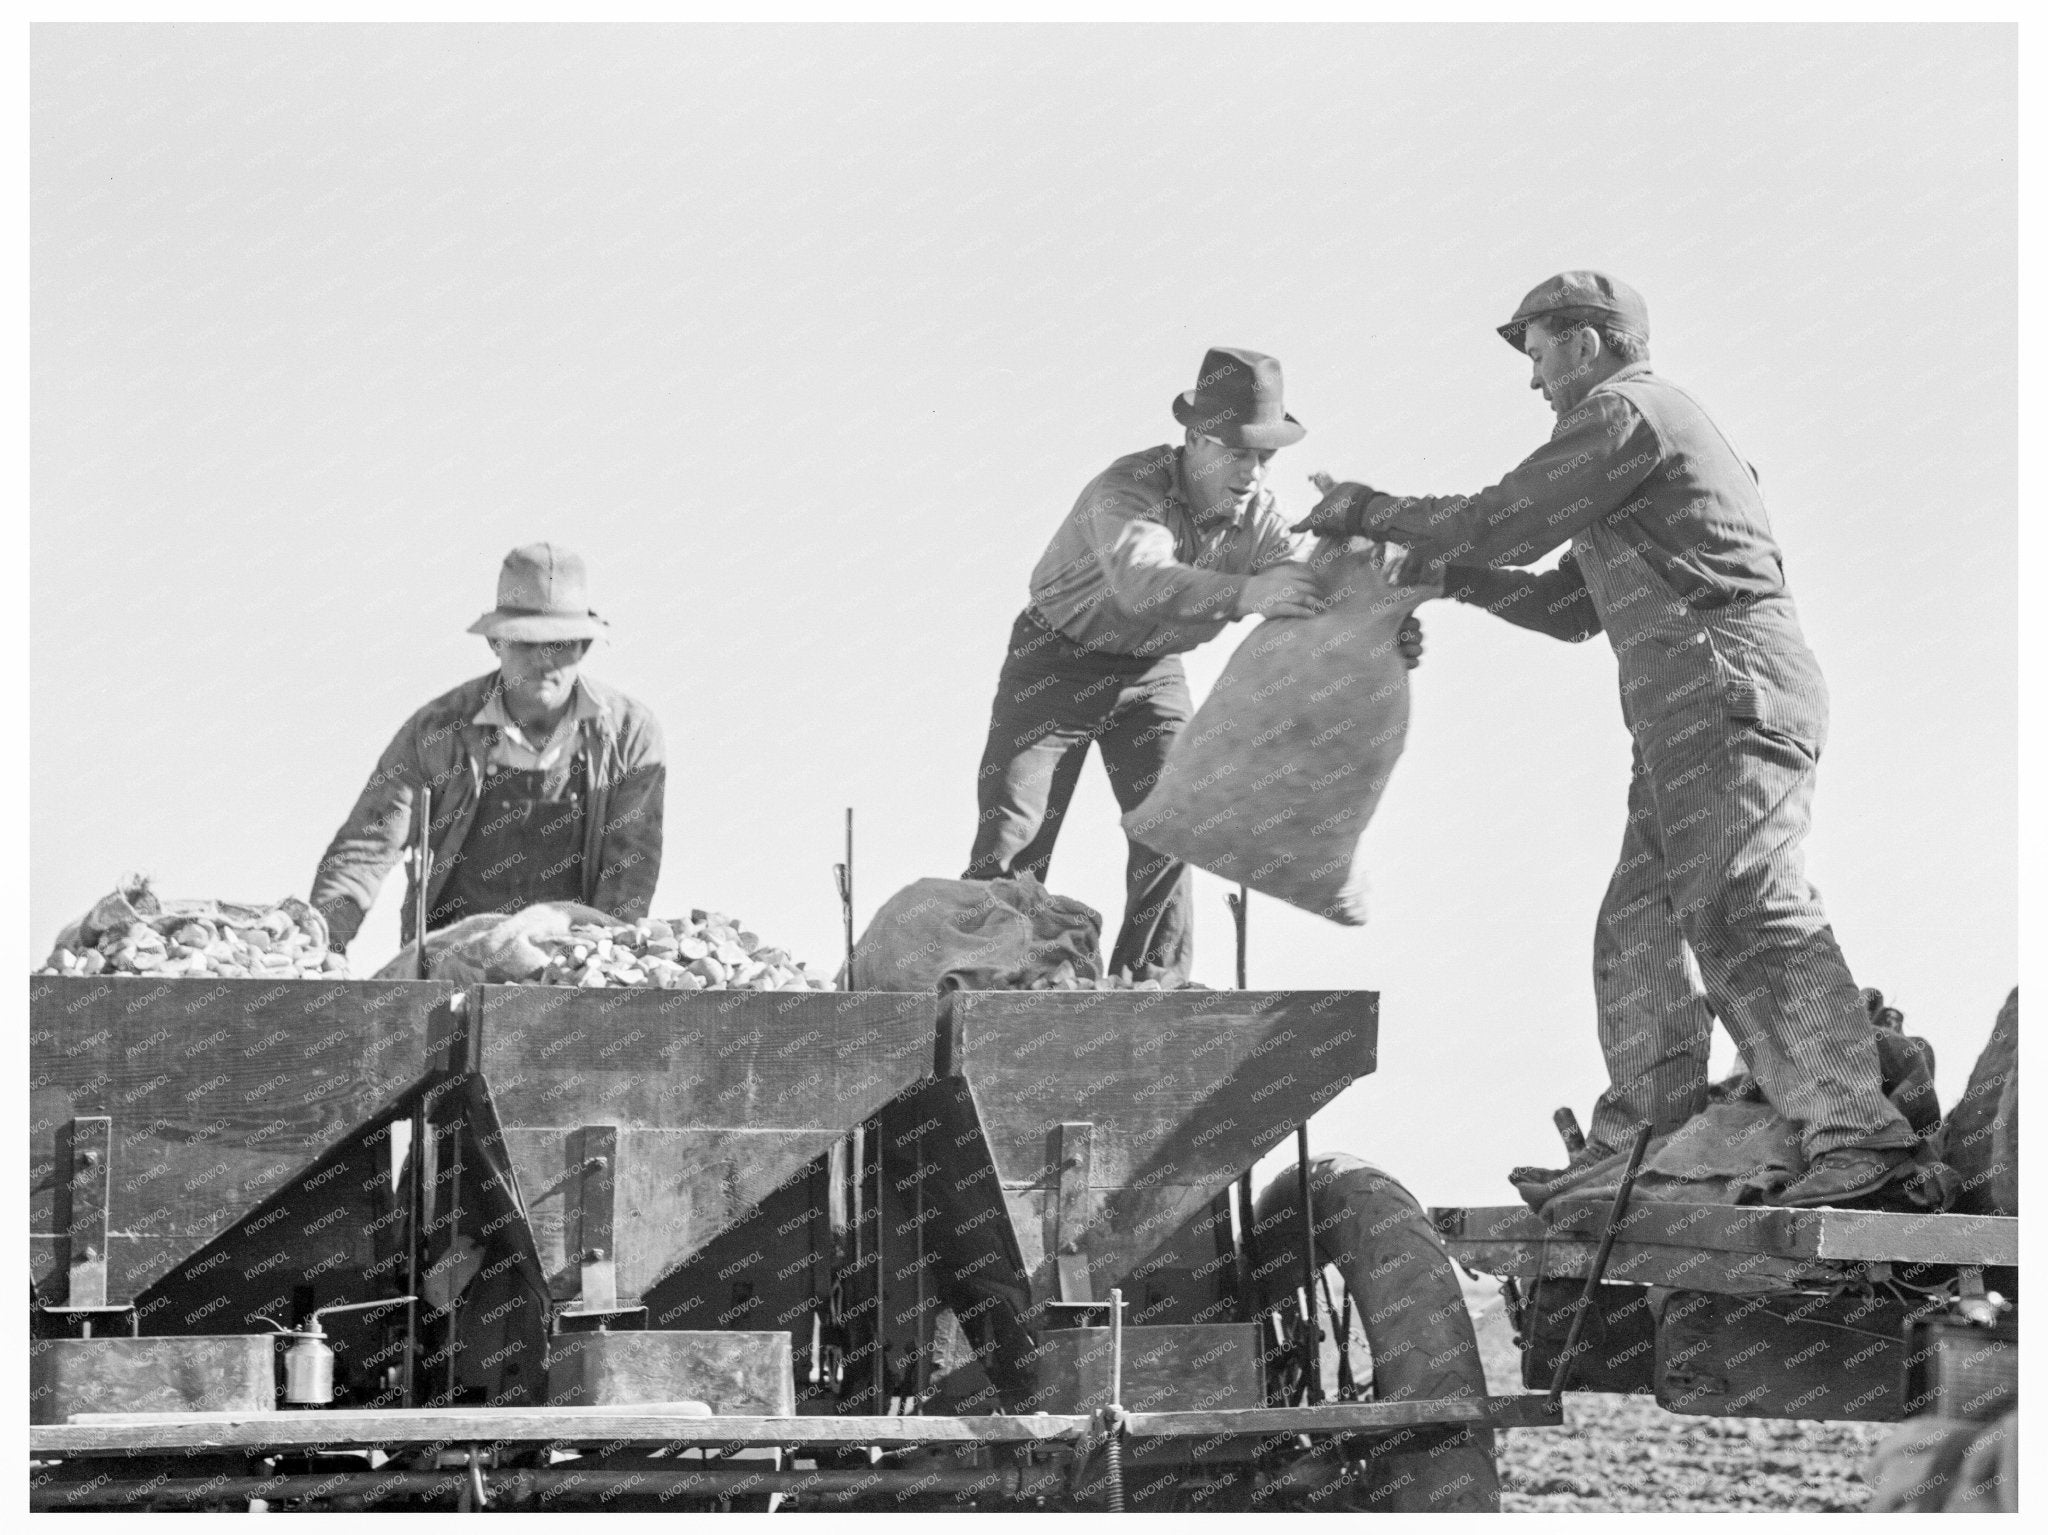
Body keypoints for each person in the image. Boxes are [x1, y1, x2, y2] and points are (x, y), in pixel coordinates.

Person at [1298, 273, 1931, 1210]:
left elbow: (1502, 523)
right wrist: (1440, 573)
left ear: (1589, 343)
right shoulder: (1632, 448)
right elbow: (1565, 607)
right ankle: (1647, 1141)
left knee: (1747, 910)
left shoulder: (1626, 415)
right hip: (1686, 711)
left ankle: (1857, 1135)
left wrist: (1368, 508)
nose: (1533, 380)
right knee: (1639, 926)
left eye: (1540, 351)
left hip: (1726, 691)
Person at [965, 346, 1423, 985]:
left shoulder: (1259, 515)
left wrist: (1375, 628)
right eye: (1238, 454)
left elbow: (1306, 595)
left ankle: (1152, 983)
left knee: (1174, 826)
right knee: (1015, 831)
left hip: (1153, 673)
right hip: (1056, 663)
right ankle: (988, 980)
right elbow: (1142, 581)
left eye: (1264, 458)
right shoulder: (1127, 489)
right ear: (1196, 441)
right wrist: (1244, 593)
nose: (1253, 472)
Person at [311, 542, 666, 956]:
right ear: (496, 643)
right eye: (526, 643)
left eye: (560, 643)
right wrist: (321, 947)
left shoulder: (629, 735)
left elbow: (629, 875)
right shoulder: (437, 729)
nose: (544, 660)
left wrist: (596, 969)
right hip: (451, 968)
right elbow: (365, 850)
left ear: (583, 647)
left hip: (571, 967)